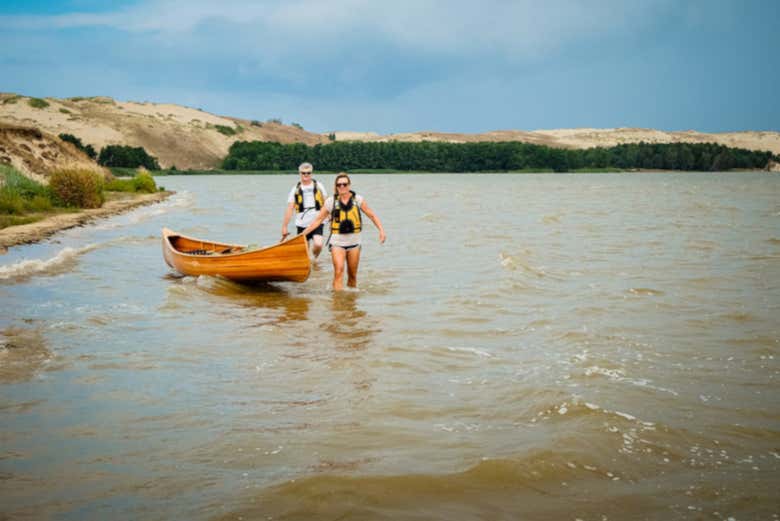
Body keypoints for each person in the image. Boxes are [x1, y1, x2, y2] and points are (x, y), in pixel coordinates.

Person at [301, 173, 386, 290]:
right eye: (339, 184)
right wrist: (303, 234)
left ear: (349, 185)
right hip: (337, 243)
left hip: (354, 243)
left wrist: (381, 231)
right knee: (339, 271)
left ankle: (350, 303)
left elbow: (372, 216)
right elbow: (318, 220)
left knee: (352, 276)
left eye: (344, 184)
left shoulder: (358, 200)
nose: (342, 187)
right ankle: (337, 302)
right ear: (336, 186)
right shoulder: (330, 202)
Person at [281, 162, 327, 257]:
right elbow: (290, 208)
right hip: (302, 223)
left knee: (318, 244)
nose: (306, 175)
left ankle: (315, 259)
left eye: (308, 173)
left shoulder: (319, 186)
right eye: (303, 173)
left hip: (317, 222)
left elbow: (327, 203)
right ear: (300, 173)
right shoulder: (295, 189)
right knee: (304, 251)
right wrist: (284, 226)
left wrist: (331, 217)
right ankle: (308, 262)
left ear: (311, 173)